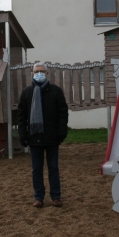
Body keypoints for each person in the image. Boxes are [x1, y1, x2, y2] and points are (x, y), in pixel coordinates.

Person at [18, 62, 69, 208]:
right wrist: (23, 135)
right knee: (36, 170)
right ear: (32, 74)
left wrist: (62, 132)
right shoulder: (27, 92)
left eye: (41, 71)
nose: (39, 74)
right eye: (36, 72)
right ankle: (39, 197)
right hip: (34, 138)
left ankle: (56, 196)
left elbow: (62, 113)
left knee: (53, 168)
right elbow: (21, 116)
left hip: (52, 137)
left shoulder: (56, 91)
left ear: (46, 73)